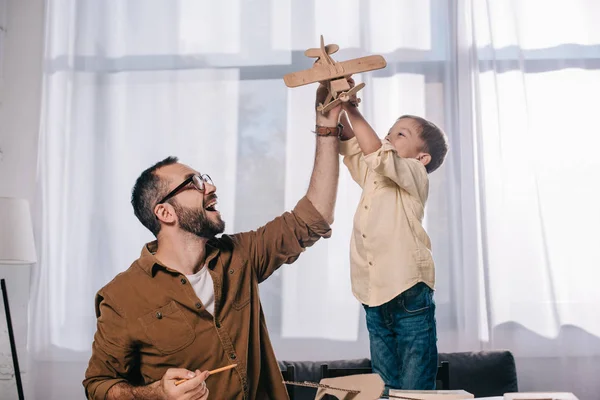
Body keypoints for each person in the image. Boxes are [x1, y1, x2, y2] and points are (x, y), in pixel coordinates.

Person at [83, 84, 343, 400]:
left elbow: (313, 216)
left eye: (204, 178)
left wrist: (327, 126)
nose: (211, 187)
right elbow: (99, 386)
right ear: (165, 212)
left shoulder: (242, 255)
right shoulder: (121, 297)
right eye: (194, 184)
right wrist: (157, 393)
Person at [338, 79, 449, 393]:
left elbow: (377, 152)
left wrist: (352, 108)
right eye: (389, 132)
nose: (388, 137)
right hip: (372, 292)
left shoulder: (414, 173)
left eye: (400, 134)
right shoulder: (376, 175)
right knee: (385, 383)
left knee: (414, 384)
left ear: (421, 157)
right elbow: (352, 146)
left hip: (408, 288)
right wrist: (337, 105)